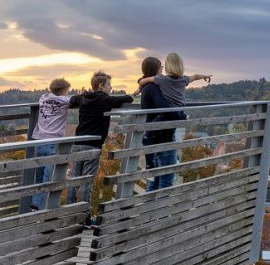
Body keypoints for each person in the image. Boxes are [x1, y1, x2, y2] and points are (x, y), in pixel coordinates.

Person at [134, 52, 211, 190]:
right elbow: (165, 109)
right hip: (164, 137)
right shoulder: (159, 85)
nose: (162, 69)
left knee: (155, 180)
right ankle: (159, 209)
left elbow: (143, 81)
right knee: (166, 182)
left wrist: (138, 89)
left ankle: (149, 208)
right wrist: (181, 117)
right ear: (157, 69)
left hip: (161, 134)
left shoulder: (158, 83)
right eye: (160, 67)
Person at [67, 70, 133, 220]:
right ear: (101, 85)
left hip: (77, 143)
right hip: (92, 145)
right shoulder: (104, 99)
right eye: (109, 85)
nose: (111, 88)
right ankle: (84, 216)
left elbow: (72, 100)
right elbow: (127, 98)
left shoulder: (83, 97)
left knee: (74, 179)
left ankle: (69, 212)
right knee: (86, 181)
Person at [29, 78, 73, 211]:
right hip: (54, 141)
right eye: (67, 91)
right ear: (64, 91)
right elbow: (75, 100)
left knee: (38, 176)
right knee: (48, 178)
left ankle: (34, 206)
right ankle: (44, 209)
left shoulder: (42, 98)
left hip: (40, 140)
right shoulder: (64, 100)